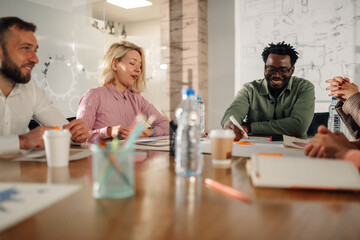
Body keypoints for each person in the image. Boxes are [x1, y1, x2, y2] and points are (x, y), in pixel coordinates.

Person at [0, 16, 89, 155]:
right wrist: (21, 141)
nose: (35, 59)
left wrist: (76, 135)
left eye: (35, 50)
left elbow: (64, 130)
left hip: (19, 172)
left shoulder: (30, 88)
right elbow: (24, 142)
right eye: (25, 48)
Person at [77, 41, 169, 142]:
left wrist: (151, 132)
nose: (138, 70)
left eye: (140, 66)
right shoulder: (94, 95)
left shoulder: (137, 98)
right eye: (132, 63)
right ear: (115, 64)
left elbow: (166, 124)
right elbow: (79, 136)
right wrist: (108, 132)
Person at [221, 42, 315, 140]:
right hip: (254, 147)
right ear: (265, 68)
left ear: (292, 70)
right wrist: (230, 125)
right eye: (271, 69)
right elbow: (232, 113)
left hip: (293, 149)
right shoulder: (250, 89)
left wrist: (250, 126)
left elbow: (298, 127)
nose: (277, 75)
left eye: (283, 70)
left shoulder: (304, 88)